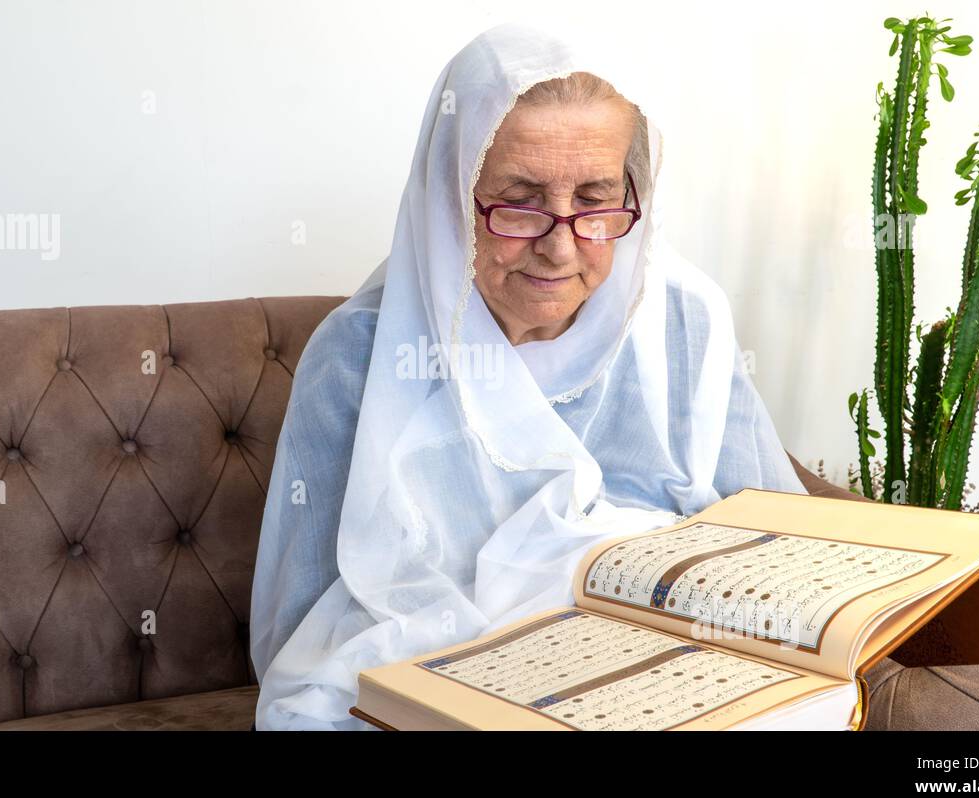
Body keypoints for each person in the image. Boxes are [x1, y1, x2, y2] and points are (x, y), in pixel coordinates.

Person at [248, 21, 808, 731]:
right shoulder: (358, 357)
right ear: (452, 198)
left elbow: (778, 539)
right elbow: (302, 633)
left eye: (597, 199)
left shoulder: (684, 322)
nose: (560, 246)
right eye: (520, 202)